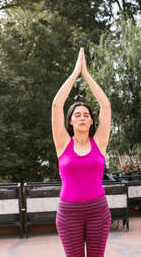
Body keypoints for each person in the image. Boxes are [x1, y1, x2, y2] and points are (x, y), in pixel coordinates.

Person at [51, 48, 112, 257]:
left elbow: (105, 105)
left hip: (98, 211)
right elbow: (57, 105)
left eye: (86, 114)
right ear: (70, 121)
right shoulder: (62, 144)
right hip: (68, 214)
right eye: (77, 115)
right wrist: (75, 72)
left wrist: (87, 75)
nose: (82, 117)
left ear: (92, 120)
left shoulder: (100, 143)